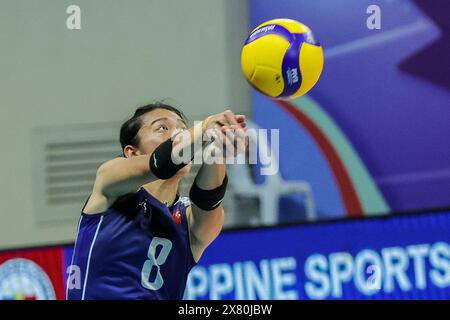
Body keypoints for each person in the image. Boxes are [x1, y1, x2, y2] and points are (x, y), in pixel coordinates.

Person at [66, 103, 247, 300]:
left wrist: (219, 151)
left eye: (182, 128)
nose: (178, 134)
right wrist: (205, 127)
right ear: (132, 152)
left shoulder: (187, 220)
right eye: (162, 127)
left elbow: (208, 201)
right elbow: (160, 162)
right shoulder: (110, 182)